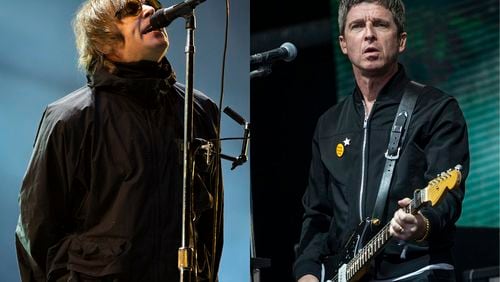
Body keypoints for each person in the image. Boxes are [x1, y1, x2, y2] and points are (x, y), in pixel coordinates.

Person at [15, 0, 223, 281]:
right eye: (131, 10)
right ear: (103, 41)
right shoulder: (68, 118)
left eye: (150, 5)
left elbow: (211, 227)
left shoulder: (199, 110)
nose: (149, 11)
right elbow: (37, 230)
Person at [293, 0, 469, 281]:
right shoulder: (328, 124)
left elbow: (448, 198)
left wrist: (421, 224)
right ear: (343, 43)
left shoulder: (437, 109)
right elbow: (317, 214)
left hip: (416, 269)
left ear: (401, 41)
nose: (369, 34)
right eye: (357, 26)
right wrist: (307, 272)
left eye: (380, 24)